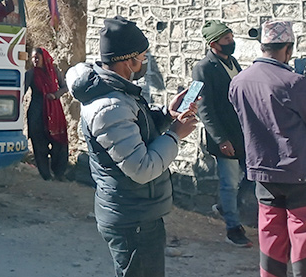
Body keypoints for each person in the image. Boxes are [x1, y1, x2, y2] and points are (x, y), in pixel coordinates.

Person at [67, 16, 199, 277]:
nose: (145, 61)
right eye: (143, 56)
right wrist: (175, 134)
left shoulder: (117, 92)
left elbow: (136, 129)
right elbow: (141, 167)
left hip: (137, 213)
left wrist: (165, 115)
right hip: (131, 219)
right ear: (129, 61)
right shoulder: (109, 105)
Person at [229, 21, 306, 277]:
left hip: (263, 172)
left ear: (262, 46)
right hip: (301, 172)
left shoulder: (239, 82)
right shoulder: (294, 82)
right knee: (305, 238)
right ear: (288, 49)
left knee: (271, 237)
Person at [192, 20, 252, 248]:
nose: (232, 42)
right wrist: (220, 139)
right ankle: (233, 229)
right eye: (227, 39)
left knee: (252, 176)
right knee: (229, 184)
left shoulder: (232, 62)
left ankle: (226, 207)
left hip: (243, 133)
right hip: (225, 136)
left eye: (231, 38)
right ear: (213, 43)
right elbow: (204, 107)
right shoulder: (203, 68)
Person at [24, 48, 69, 181]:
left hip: (54, 110)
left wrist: (55, 95)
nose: (35, 60)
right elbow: (23, 90)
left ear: (44, 58)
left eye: (37, 57)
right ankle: (46, 175)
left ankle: (59, 173)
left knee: (59, 142)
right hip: (37, 112)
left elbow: (65, 87)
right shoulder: (31, 74)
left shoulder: (54, 71)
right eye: (33, 58)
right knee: (39, 145)